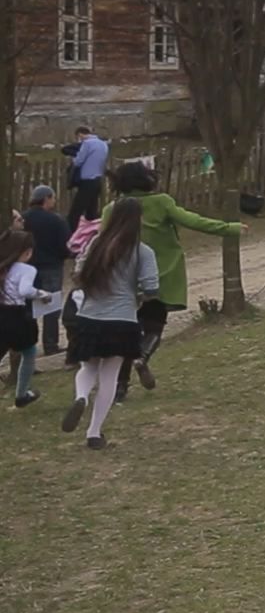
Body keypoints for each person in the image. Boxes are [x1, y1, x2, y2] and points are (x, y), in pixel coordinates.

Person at [110, 162, 248, 395]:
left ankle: (120, 387)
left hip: (125, 279)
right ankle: (142, 356)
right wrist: (229, 228)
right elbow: (193, 220)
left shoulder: (113, 209)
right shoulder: (161, 202)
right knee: (154, 324)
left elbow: (101, 241)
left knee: (126, 332)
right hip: (160, 275)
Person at [60, 198, 158, 446]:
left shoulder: (96, 244)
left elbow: (78, 275)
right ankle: (94, 433)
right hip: (122, 319)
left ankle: (81, 397)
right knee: (109, 377)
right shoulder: (143, 252)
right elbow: (151, 288)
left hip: (90, 316)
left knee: (87, 368)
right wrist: (138, 297)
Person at [1, 230, 57, 408]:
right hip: (17, 316)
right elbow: (25, 290)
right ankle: (22, 394)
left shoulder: (3, 268)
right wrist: (42, 294)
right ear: (27, 251)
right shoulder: (27, 269)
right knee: (29, 352)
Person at [20, 186, 70, 355]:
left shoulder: (23, 219)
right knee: (51, 306)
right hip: (51, 267)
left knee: (27, 306)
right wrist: (62, 256)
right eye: (53, 198)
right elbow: (65, 246)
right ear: (46, 198)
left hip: (27, 267)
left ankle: (27, 344)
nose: (54, 201)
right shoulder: (56, 220)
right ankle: (50, 344)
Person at [67, 126, 108, 227]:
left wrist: (73, 160)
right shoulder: (103, 144)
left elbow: (78, 161)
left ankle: (70, 231)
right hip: (97, 180)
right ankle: (91, 231)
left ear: (80, 135)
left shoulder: (87, 143)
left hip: (87, 181)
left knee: (75, 212)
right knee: (91, 211)